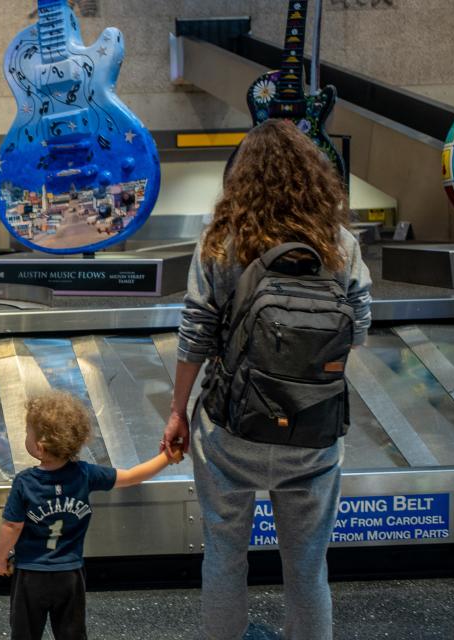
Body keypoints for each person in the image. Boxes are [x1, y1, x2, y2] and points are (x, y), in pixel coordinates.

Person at [162, 119, 372, 640]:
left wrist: (176, 411)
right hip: (314, 432)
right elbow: (359, 329)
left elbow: (196, 333)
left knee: (226, 555)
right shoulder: (339, 244)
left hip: (232, 430)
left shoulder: (221, 242)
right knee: (307, 567)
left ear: (240, 179)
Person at [0, 391, 183, 640]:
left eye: (28, 431)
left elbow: (12, 526)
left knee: (25, 633)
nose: (25, 436)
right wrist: (166, 457)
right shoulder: (84, 474)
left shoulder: (25, 482)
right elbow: (132, 476)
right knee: (72, 633)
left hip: (31, 575)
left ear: (39, 447)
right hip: (70, 575)